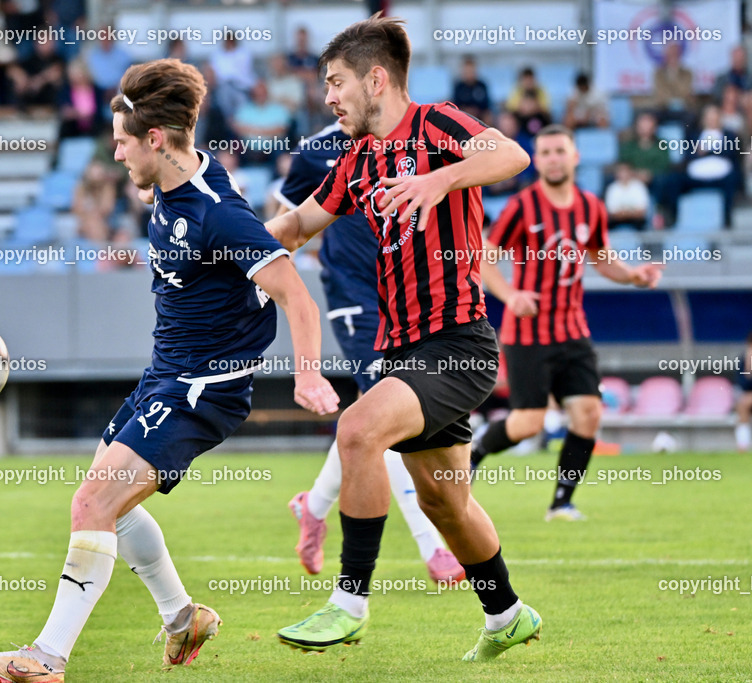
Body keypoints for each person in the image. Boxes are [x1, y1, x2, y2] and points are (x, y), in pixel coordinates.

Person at [0, 58, 339, 682]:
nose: (116, 156)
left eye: (122, 143)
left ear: (155, 140)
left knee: (91, 502)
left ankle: (46, 659)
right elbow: (183, 206)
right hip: (164, 376)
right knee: (113, 504)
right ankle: (182, 616)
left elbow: (297, 296)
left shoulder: (218, 211)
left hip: (203, 388)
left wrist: (307, 376)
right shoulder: (169, 181)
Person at [264, 15, 541, 662]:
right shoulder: (356, 158)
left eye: (335, 83)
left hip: (458, 344)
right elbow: (300, 223)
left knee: (358, 428)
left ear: (376, 79)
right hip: (403, 348)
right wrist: (226, 239)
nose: (328, 98)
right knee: (446, 501)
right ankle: (507, 612)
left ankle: (349, 604)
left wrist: (439, 178)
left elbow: (512, 154)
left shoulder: (437, 124)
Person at [276, 123, 464, 584]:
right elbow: (289, 219)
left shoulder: (415, 134)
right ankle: (433, 547)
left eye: (340, 82)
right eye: (331, 83)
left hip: (406, 293)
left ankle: (313, 505)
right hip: (352, 294)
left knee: (372, 417)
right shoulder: (317, 151)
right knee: (386, 410)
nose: (333, 95)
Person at [470, 125, 662, 520]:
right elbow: (483, 257)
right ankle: (474, 453)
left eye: (560, 151)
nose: (553, 158)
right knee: (526, 423)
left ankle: (562, 502)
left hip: (573, 329)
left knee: (589, 413)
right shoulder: (522, 206)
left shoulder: (591, 206)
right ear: (536, 160)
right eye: (545, 152)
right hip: (528, 333)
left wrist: (633, 276)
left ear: (575, 157)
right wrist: (510, 296)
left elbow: (601, 257)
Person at [737, 332, 752, 452]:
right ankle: (743, 445)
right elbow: (743, 384)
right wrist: (748, 368)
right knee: (742, 404)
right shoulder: (744, 361)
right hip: (749, 397)